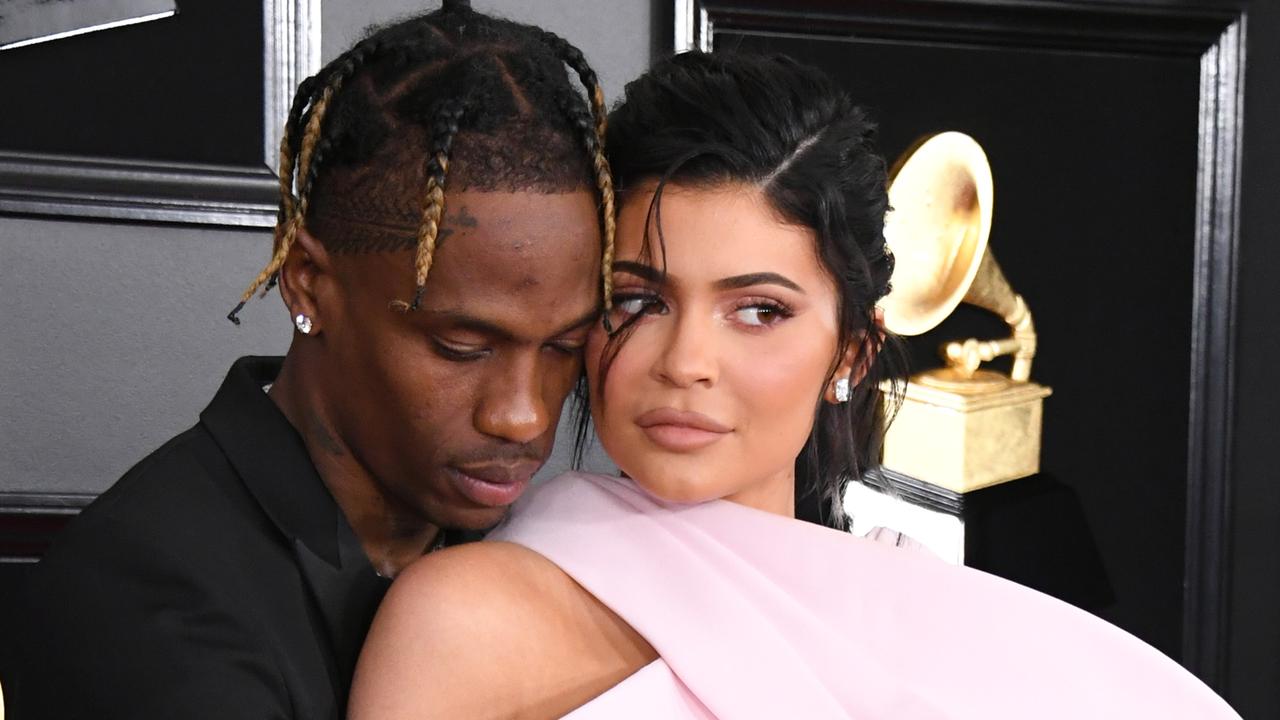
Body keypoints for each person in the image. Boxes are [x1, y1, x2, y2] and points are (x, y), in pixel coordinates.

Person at [347, 51, 1241, 719]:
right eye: (639, 299)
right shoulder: (462, 619)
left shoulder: (922, 612)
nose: (685, 360)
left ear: (852, 351)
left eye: (759, 311)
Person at [0, 2, 616, 718]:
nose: (523, 414)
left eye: (565, 348)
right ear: (307, 282)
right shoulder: (143, 601)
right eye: (462, 346)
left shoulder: (541, 557)